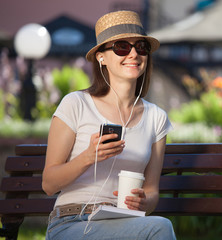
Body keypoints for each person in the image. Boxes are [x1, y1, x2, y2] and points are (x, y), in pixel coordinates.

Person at [42, 10, 176, 239]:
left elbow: (152, 191)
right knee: (160, 228)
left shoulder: (156, 118)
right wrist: (88, 156)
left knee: (157, 225)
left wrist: (143, 202)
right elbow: (49, 184)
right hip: (72, 221)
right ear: (101, 57)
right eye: (122, 46)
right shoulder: (76, 104)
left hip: (124, 223)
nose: (134, 53)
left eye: (141, 47)